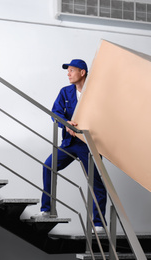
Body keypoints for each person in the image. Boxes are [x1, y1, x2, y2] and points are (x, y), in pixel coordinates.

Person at [31, 59, 107, 233]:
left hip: (89, 144)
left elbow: (105, 117)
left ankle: (99, 222)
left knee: (95, 183)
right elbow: (55, 113)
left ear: (82, 73)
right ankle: (47, 209)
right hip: (69, 143)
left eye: (72, 70)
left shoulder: (96, 93)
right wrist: (65, 123)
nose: (68, 73)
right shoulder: (65, 92)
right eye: (68, 71)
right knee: (48, 166)